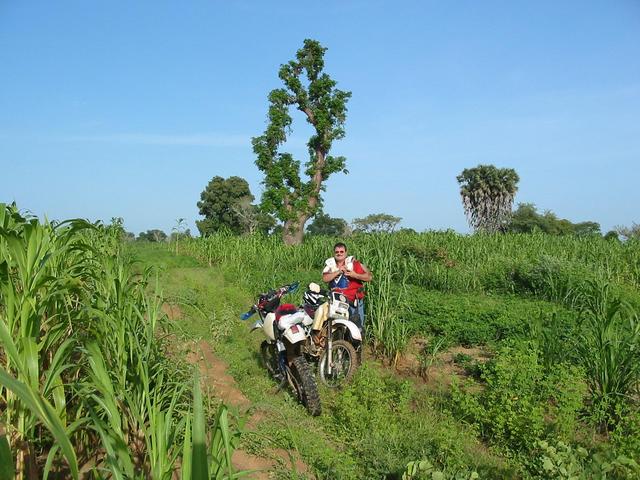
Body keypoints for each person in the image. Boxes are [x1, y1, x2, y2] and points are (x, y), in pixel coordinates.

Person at [321, 242, 372, 333]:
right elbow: (325, 278)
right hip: (336, 302)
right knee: (336, 328)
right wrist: (337, 272)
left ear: (346, 253)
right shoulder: (330, 266)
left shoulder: (354, 264)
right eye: (337, 252)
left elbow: (369, 277)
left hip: (353, 301)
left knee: (356, 328)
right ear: (334, 253)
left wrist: (355, 274)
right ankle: (338, 345)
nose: (339, 253)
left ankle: (356, 347)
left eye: (341, 251)